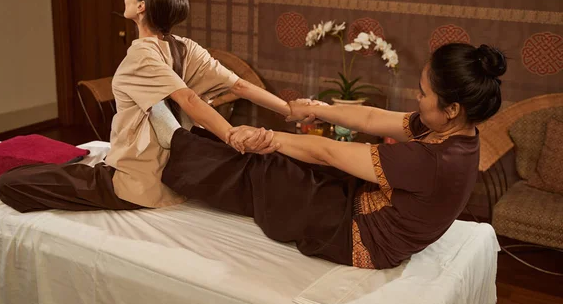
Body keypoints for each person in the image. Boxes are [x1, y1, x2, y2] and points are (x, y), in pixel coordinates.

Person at [149, 43, 507, 269]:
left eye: (424, 94)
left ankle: (178, 143)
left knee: (270, 169)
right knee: (292, 162)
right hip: (369, 204)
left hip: (358, 239)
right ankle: (188, 142)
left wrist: (269, 137)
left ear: (452, 108)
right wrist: (318, 110)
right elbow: (370, 117)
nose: (417, 98)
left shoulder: (433, 162)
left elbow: (327, 152)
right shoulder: (452, 131)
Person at [0, 0, 286, 212]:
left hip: (135, 182)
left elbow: (187, 98)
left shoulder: (142, 55)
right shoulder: (187, 48)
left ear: (141, 6)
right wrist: (290, 110)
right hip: (172, 178)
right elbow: (240, 85)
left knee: (9, 183)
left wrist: (230, 135)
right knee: (48, 168)